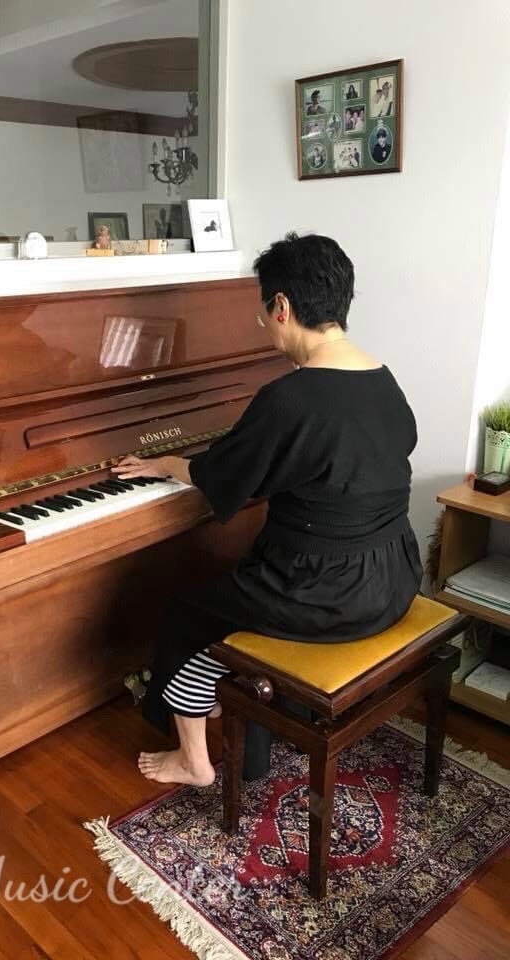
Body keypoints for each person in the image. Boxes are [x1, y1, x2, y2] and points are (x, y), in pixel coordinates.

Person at [113, 232, 422, 787]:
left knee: (185, 614)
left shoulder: (290, 397)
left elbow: (221, 475)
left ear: (282, 305)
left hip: (327, 594)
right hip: (394, 576)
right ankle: (229, 700)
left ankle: (193, 760)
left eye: (263, 315)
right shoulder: (383, 378)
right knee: (233, 590)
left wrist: (168, 464)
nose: (266, 327)